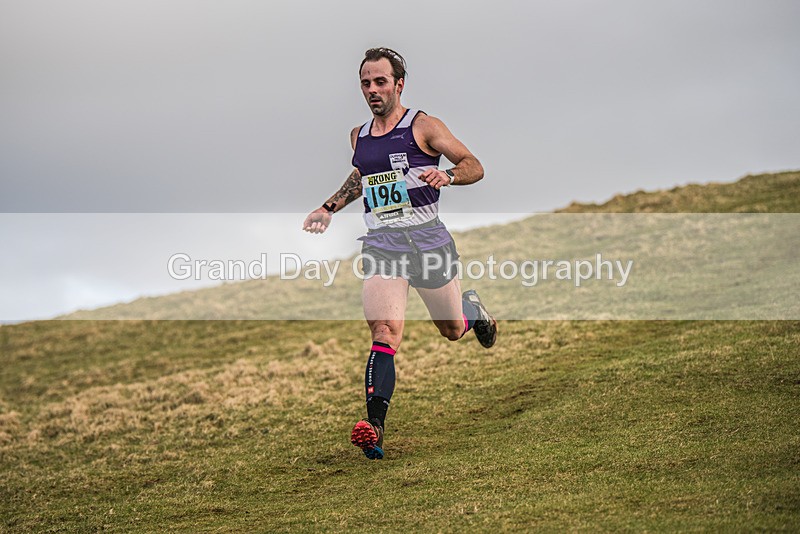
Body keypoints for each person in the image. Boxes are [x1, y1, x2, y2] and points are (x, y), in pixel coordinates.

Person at [303, 47, 497, 460]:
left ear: (399, 84)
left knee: (449, 329)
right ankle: (373, 427)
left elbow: (474, 164)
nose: (372, 90)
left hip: (427, 241)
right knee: (385, 331)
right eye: (365, 83)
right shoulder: (358, 136)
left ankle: (473, 313)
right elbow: (363, 175)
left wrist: (446, 174)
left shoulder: (423, 126)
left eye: (380, 82)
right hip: (383, 244)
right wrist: (328, 207)